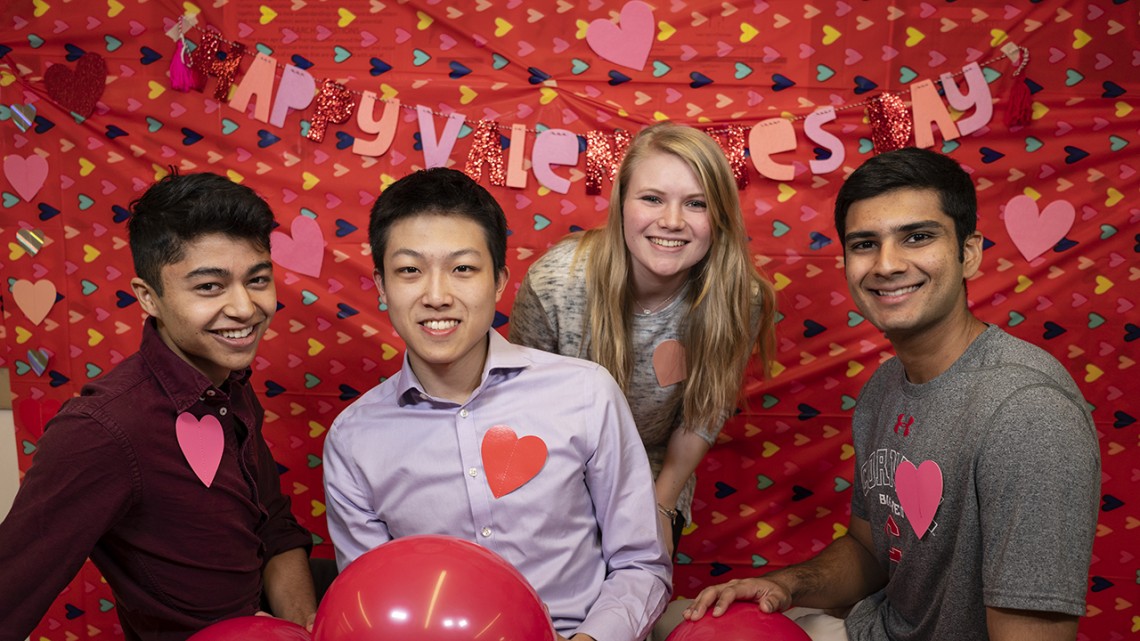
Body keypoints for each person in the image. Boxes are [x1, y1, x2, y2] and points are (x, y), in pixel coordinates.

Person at [682, 148, 1100, 640]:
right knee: (685, 622)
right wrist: (785, 585)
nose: (886, 264)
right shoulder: (884, 387)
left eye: (917, 237)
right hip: (872, 628)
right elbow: (871, 552)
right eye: (865, 244)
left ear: (968, 253)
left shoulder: (1028, 414)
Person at [322, 167, 672, 641]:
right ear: (382, 286)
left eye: (463, 269)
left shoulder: (585, 393)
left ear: (499, 281)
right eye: (410, 271)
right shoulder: (353, 440)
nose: (437, 296)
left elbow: (641, 563)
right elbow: (372, 601)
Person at [0, 173, 317, 640]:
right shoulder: (102, 429)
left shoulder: (230, 383)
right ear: (149, 297)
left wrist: (301, 630)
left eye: (257, 280)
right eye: (209, 287)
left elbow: (273, 526)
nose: (245, 307)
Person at [509, 122, 777, 555]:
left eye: (696, 203)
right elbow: (520, 408)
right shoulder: (555, 284)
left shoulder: (737, 298)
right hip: (555, 466)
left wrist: (660, 506)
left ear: (720, 217)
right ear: (621, 204)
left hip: (655, 469)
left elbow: (703, 413)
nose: (671, 221)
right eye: (652, 198)